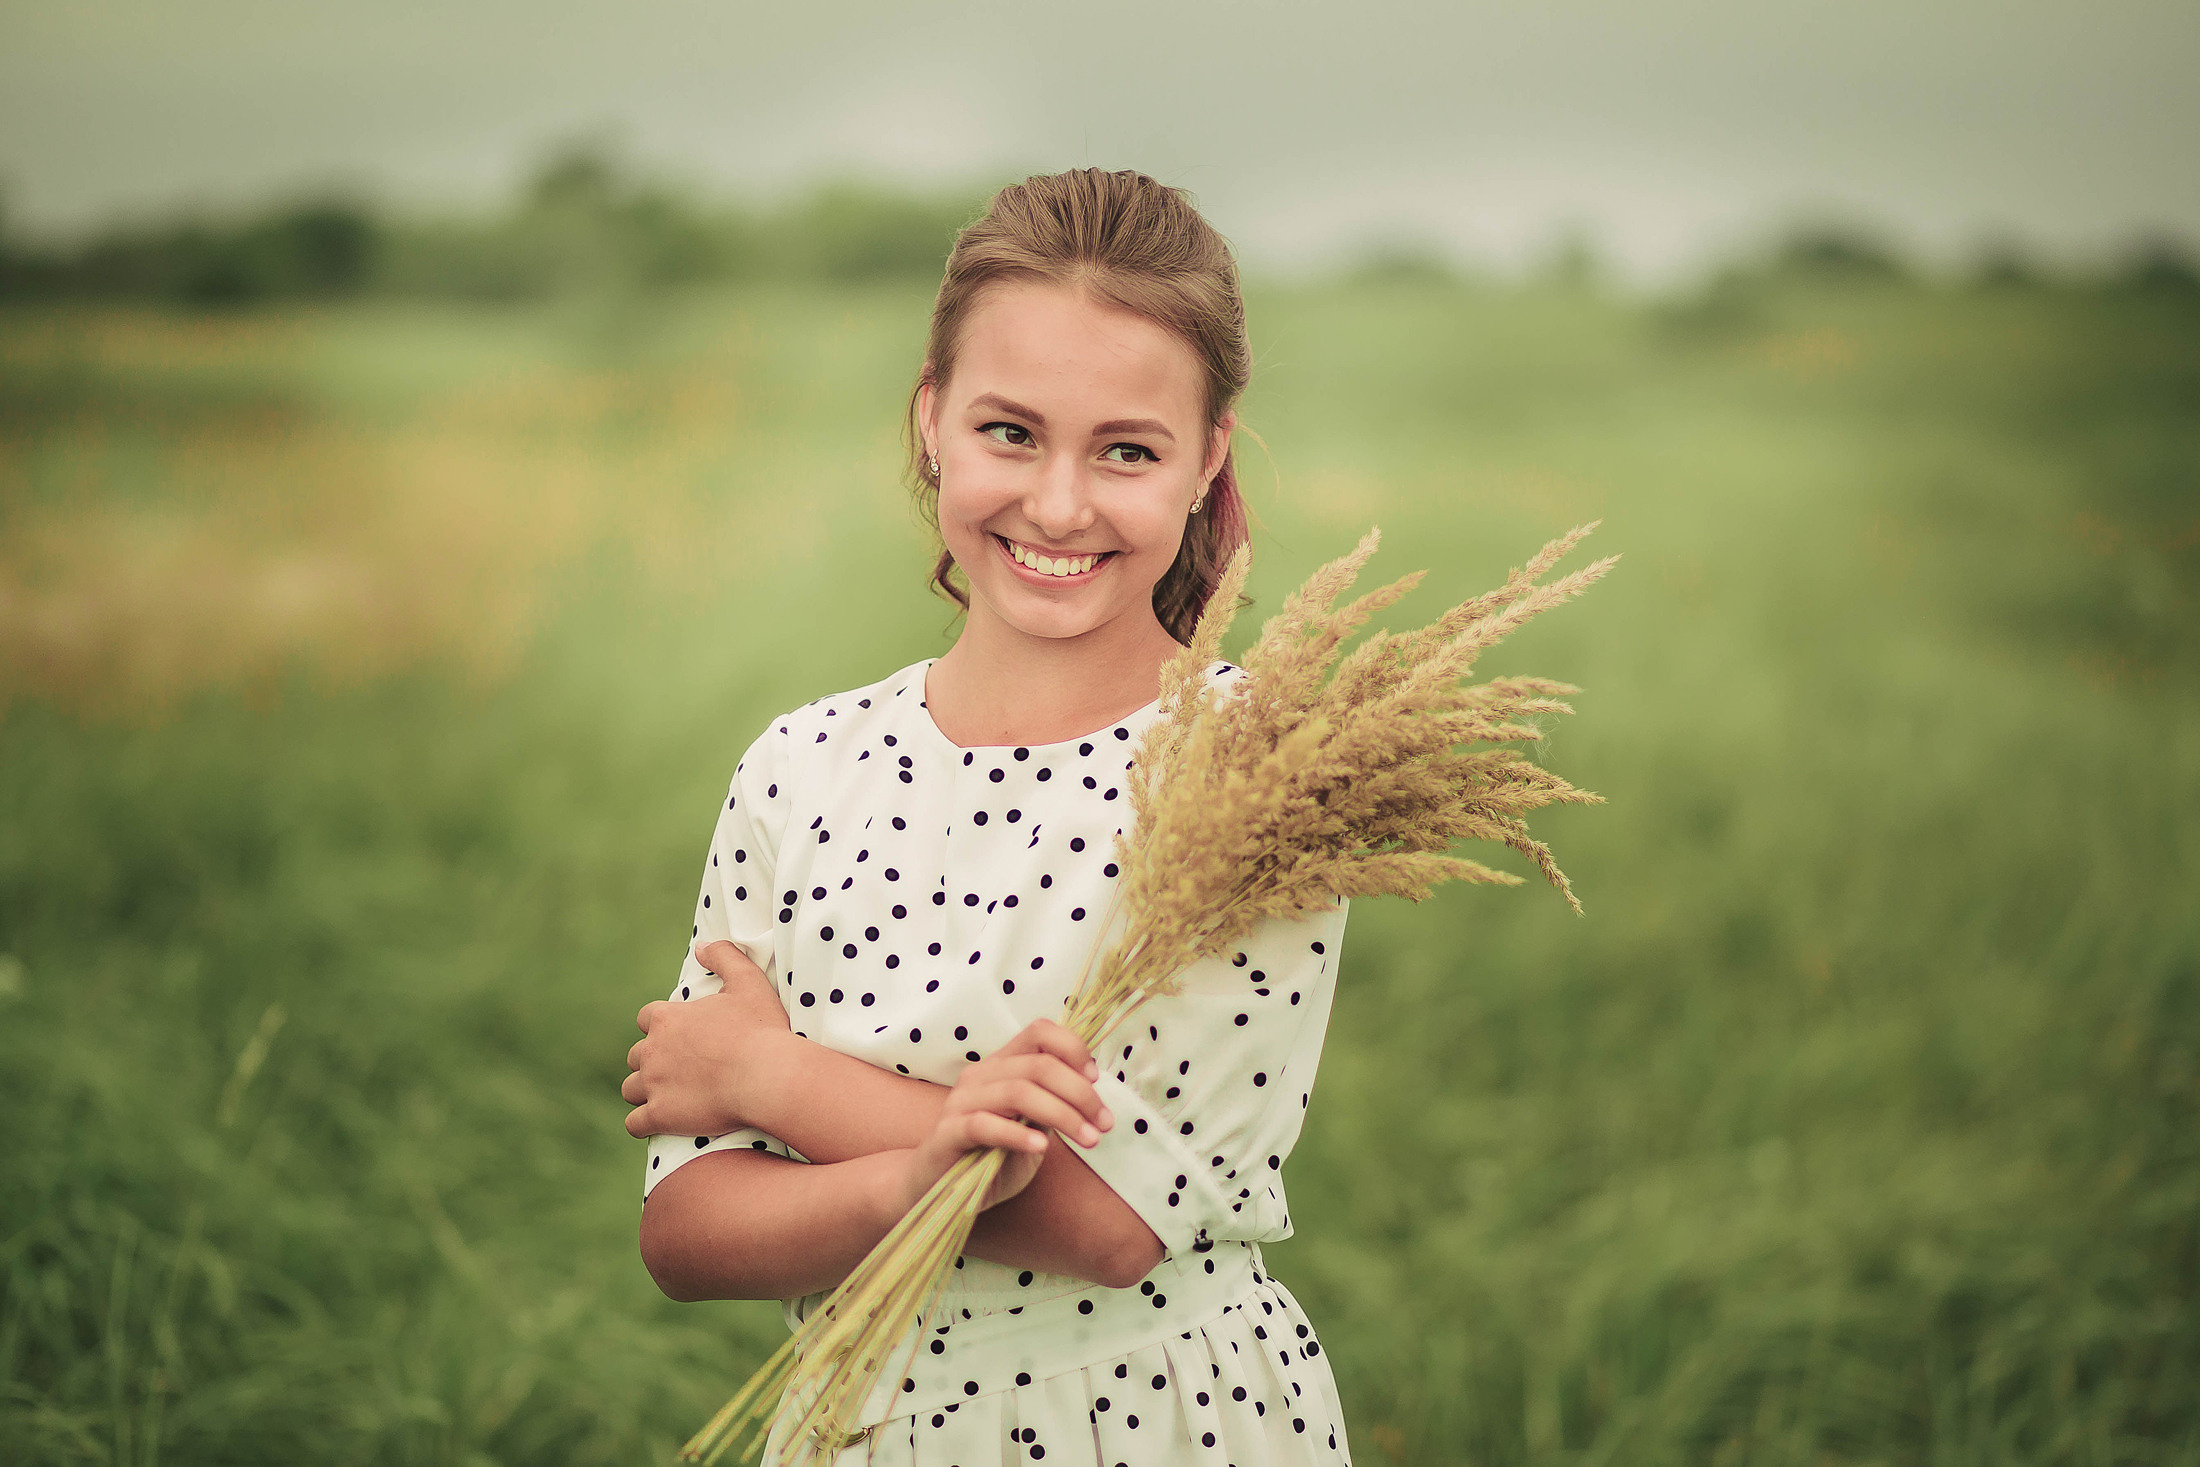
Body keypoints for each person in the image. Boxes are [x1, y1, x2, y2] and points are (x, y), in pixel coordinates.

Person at [622, 168, 1353, 1465]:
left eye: (1126, 449)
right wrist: (920, 1175)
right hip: (861, 1427)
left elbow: (1113, 1222)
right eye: (1010, 433)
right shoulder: (800, 768)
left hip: (1154, 1421)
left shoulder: (1253, 772)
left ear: (1207, 461)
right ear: (931, 419)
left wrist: (772, 1076)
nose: (1060, 505)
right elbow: (685, 1231)